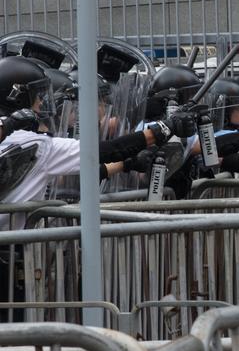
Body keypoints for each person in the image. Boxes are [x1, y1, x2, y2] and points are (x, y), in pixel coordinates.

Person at [0, 56, 195, 226]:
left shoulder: (23, 139)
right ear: (17, 97)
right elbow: (105, 150)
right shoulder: (37, 144)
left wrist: (127, 163)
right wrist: (163, 129)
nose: (42, 103)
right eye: (37, 97)